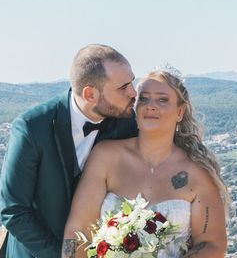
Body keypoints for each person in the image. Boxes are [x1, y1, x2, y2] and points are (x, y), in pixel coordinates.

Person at [62, 66, 228, 258]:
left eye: (162, 100)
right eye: (144, 98)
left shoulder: (198, 174)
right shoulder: (105, 157)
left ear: (180, 112)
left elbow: (212, 244)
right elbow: (77, 229)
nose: (150, 105)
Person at [0, 44, 139, 258]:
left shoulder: (127, 124)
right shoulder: (32, 127)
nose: (133, 93)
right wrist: (63, 255)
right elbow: (14, 211)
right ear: (90, 94)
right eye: (123, 87)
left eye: (132, 82)